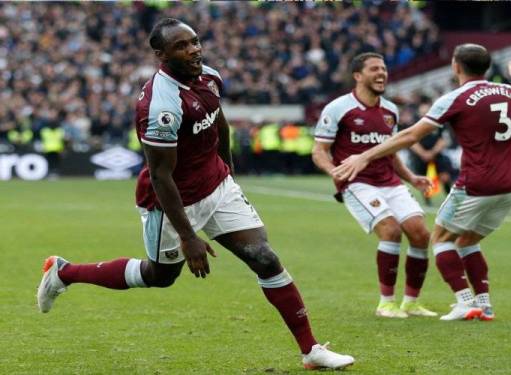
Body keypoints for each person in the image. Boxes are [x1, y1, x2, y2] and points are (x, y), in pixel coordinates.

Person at [36, 18, 354, 370]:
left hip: (216, 184)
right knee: (160, 277)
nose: (194, 50)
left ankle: (311, 350)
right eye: (182, 46)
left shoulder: (209, 76)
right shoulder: (160, 106)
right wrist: (188, 237)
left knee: (265, 258)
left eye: (195, 42)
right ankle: (64, 273)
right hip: (172, 201)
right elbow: (160, 175)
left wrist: (228, 173)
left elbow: (220, 123)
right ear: (161, 55)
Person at [332, 44, 511, 321]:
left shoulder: (456, 98)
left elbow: (410, 136)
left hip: (476, 183)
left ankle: (464, 302)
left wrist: (365, 156)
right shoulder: (507, 91)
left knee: (440, 239)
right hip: (510, 185)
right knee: (468, 241)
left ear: (456, 67)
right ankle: (484, 304)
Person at [312, 52, 437, 319]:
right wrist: (336, 172)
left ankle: (411, 303)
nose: (381, 73)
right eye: (374, 69)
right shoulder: (338, 108)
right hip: (358, 183)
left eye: (383, 69)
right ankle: (386, 303)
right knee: (390, 231)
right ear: (358, 76)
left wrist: (412, 178)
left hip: (389, 181)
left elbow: (390, 152)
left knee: (420, 233)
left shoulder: (391, 110)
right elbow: (319, 151)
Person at [406, 101, 454, 206]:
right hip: (419, 156)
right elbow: (411, 141)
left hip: (437, 154)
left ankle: (450, 200)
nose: (424, 112)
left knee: (445, 177)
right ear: (419, 111)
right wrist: (423, 153)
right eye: (422, 110)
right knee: (423, 180)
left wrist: (432, 153)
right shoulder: (413, 123)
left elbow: (444, 140)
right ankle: (428, 202)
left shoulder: (440, 122)